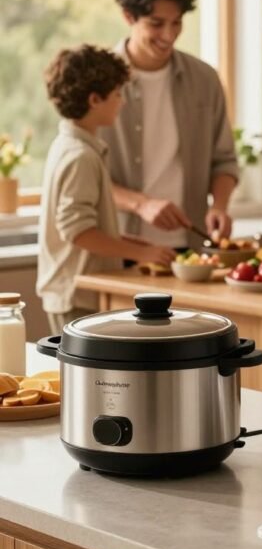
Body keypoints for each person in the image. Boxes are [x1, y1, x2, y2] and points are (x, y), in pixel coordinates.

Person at [36, 45, 175, 334]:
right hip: (77, 296)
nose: (121, 103)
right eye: (117, 95)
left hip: (72, 293)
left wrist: (131, 244)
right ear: (94, 99)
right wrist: (142, 255)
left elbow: (83, 225)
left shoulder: (68, 146)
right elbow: (78, 232)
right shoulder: (81, 157)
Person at [101, 0, 239, 248]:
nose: (169, 34)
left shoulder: (204, 79)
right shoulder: (98, 82)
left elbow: (224, 160)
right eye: (156, 23)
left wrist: (219, 206)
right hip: (120, 245)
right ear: (129, 17)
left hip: (191, 245)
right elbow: (84, 179)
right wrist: (141, 205)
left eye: (176, 22)